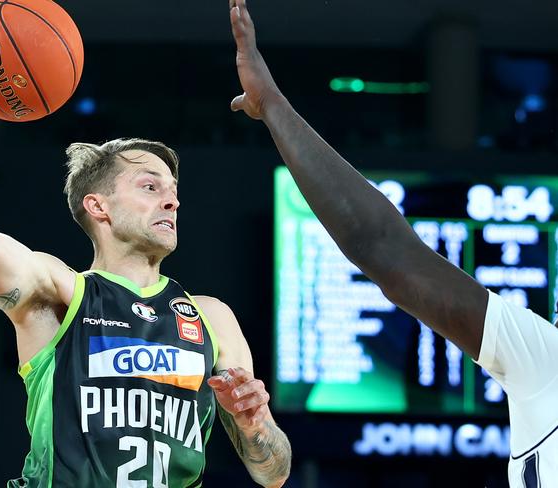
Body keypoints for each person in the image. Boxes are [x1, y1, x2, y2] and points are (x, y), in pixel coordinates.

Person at [0, 11, 291, 488]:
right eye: (149, 185)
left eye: (173, 190)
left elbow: (274, 474)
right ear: (97, 206)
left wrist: (255, 423)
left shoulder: (211, 318)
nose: (171, 198)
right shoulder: (60, 294)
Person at [227, 0, 558, 484]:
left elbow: (381, 246)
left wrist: (274, 105)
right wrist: (274, 106)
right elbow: (381, 245)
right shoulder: (546, 360)